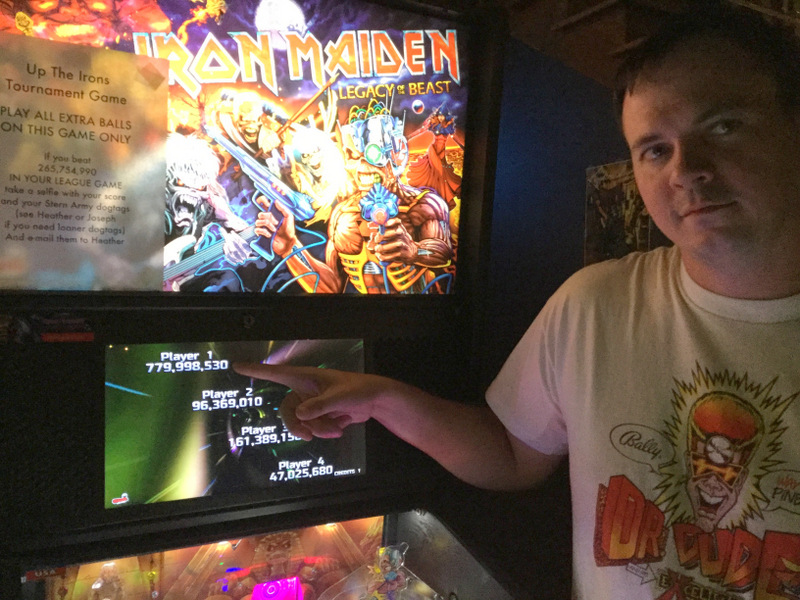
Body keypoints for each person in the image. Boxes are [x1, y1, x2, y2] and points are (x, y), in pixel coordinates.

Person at [235, 4, 800, 598]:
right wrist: (379, 398)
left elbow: (434, 244)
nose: (687, 170)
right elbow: (509, 453)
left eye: (724, 126)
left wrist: (420, 251)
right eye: (655, 149)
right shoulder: (595, 305)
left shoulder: (428, 208)